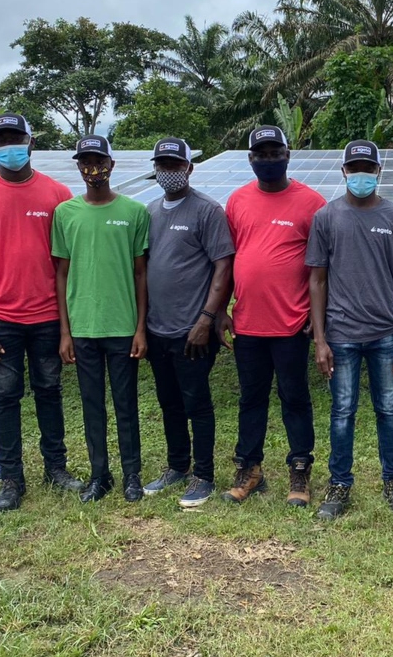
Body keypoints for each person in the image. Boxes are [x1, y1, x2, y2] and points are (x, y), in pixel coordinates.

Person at [0, 113, 84, 512]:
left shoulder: (58, 194)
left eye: (16, 138)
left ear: (31, 142)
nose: (10, 146)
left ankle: (56, 468)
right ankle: (11, 477)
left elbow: (68, 265)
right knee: (5, 396)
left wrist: (68, 326)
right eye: (2, 140)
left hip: (48, 317)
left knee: (49, 391)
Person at [306, 139, 393, 521]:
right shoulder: (327, 217)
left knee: (388, 410)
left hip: (386, 333)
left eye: (367, 169)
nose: (361, 175)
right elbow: (317, 280)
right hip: (341, 335)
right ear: (343, 172)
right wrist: (320, 339)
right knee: (342, 412)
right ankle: (339, 485)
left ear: (378, 172)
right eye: (354, 169)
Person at [218, 126, 326, 506]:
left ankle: (300, 470)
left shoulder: (312, 203)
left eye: (274, 152)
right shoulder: (237, 201)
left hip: (292, 323)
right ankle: (250, 469)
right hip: (247, 322)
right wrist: (221, 310)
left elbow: (322, 269)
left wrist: (318, 316)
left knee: (294, 398)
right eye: (261, 154)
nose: (268, 160)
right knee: (251, 399)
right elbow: (230, 260)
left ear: (287, 154)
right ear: (250, 159)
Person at [52, 135, 150, 504]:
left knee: (126, 404)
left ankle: (132, 475)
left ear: (112, 164)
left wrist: (140, 328)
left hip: (122, 326)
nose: (93, 168)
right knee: (92, 405)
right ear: (78, 167)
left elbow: (140, 273)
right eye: (86, 162)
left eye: (99, 161)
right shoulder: (65, 213)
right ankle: (99, 475)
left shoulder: (135, 212)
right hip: (83, 326)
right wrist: (65, 332)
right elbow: (61, 273)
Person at [142, 137, 235, 508]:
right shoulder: (150, 211)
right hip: (158, 327)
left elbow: (223, 266)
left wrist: (206, 318)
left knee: (196, 402)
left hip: (192, 330)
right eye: (162, 165)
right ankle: (177, 466)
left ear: (189, 168)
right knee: (169, 402)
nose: (169, 171)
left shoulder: (207, 211)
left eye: (175, 165)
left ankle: (204, 475)